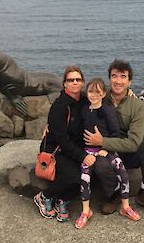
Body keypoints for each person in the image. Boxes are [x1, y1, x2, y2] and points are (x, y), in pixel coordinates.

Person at [84, 59, 144, 218]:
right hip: (105, 153)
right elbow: (78, 95)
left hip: (125, 150)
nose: (118, 80)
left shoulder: (137, 105)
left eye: (123, 77)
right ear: (109, 79)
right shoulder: (100, 95)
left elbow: (134, 143)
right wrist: (52, 122)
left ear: (129, 81)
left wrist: (102, 141)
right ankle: (115, 193)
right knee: (101, 166)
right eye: (114, 76)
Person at [75, 78, 140, 229]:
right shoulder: (84, 109)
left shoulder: (107, 110)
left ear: (104, 94)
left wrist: (106, 148)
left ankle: (125, 206)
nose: (94, 95)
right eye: (91, 91)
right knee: (84, 179)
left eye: (98, 92)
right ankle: (85, 211)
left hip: (106, 150)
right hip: (88, 151)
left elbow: (115, 133)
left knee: (122, 173)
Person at [33, 65, 97, 222]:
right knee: (76, 177)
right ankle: (44, 197)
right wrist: (82, 156)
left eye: (78, 79)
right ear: (64, 84)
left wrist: (128, 95)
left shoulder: (83, 100)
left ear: (82, 83)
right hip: (57, 149)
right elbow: (62, 139)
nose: (75, 82)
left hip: (73, 148)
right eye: (71, 80)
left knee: (91, 175)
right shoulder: (59, 106)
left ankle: (62, 199)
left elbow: (101, 94)